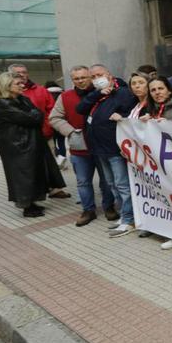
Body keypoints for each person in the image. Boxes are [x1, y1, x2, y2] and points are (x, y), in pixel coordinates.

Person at [49, 66, 118, 226]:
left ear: (90, 77)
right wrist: (71, 132)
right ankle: (88, 210)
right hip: (80, 148)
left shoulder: (103, 92)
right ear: (72, 80)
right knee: (83, 181)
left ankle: (109, 207)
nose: (80, 81)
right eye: (76, 78)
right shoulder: (65, 97)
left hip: (102, 146)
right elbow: (54, 118)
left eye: (83, 77)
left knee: (107, 180)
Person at [0, 64, 70, 199]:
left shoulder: (38, 91)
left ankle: (53, 190)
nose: (22, 77)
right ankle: (29, 201)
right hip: (20, 143)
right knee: (26, 172)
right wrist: (34, 116)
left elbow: (48, 111)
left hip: (42, 135)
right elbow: (33, 116)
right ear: (8, 81)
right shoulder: (3, 102)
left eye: (24, 72)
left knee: (46, 166)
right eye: (18, 74)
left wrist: (47, 127)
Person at [76, 64, 138, 238]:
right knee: (112, 185)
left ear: (109, 74)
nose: (97, 78)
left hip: (114, 148)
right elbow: (80, 109)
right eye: (93, 76)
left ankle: (129, 219)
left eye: (99, 75)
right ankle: (124, 215)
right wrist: (97, 93)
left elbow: (129, 116)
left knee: (122, 185)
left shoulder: (123, 93)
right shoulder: (96, 95)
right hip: (99, 149)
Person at [44, 80, 67, 167]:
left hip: (50, 121)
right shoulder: (62, 92)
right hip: (62, 121)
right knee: (61, 142)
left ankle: (56, 158)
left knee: (53, 143)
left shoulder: (45, 93)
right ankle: (63, 162)